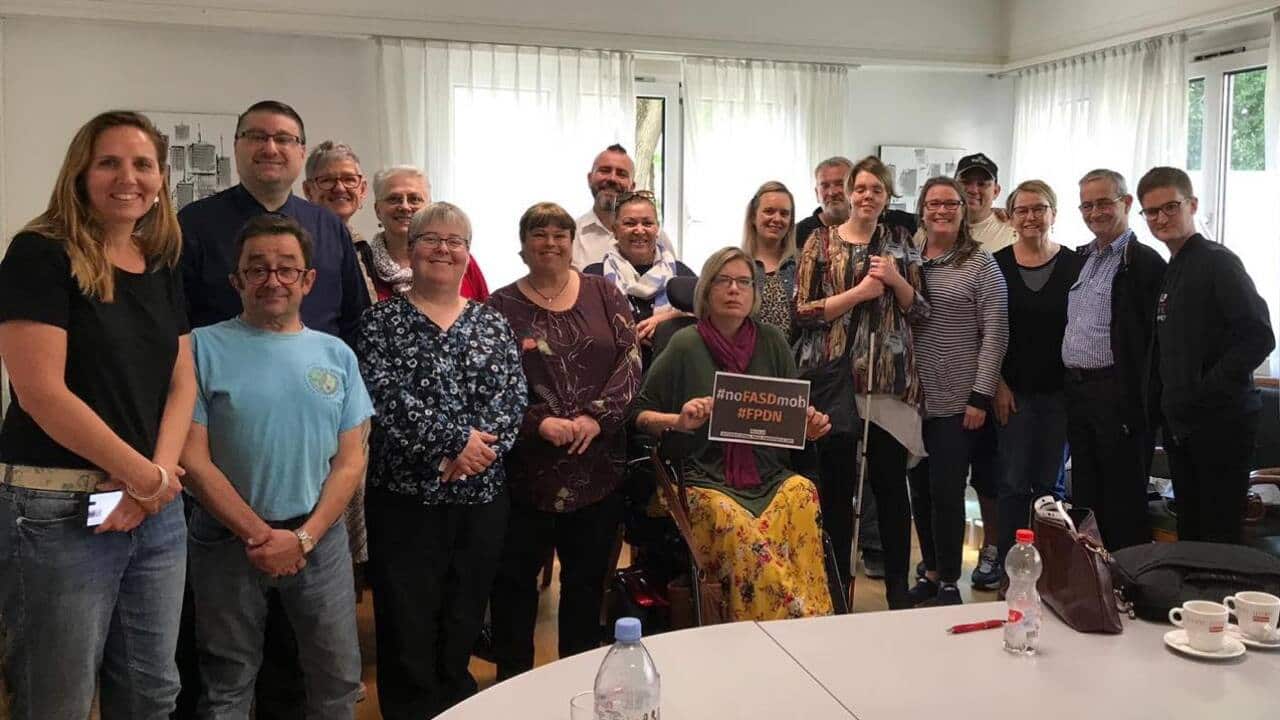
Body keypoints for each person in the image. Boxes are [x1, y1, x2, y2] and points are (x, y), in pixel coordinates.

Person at [176, 101, 370, 719]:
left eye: (288, 269)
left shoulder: (336, 353)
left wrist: (307, 535)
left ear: (308, 280)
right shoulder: (201, 342)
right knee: (228, 677)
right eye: (257, 269)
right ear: (235, 279)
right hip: (225, 531)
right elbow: (191, 454)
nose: (273, 279)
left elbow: (350, 458)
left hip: (319, 530)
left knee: (334, 677)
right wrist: (260, 534)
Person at [0, 110, 192, 719]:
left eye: (143, 164)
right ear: (80, 172)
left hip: (152, 509)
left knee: (151, 692)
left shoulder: (159, 260)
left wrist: (154, 481)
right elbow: (40, 393)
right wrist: (145, 477)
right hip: (57, 508)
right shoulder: (38, 252)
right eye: (109, 161)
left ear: (161, 178)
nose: (127, 177)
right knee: (56, 699)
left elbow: (182, 380)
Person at [355, 203, 526, 718]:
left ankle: (456, 704)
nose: (444, 249)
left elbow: (513, 396)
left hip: (480, 498)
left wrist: (474, 455)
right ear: (412, 247)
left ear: (468, 255)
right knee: (407, 614)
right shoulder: (379, 322)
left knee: (464, 611)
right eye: (432, 238)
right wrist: (454, 445)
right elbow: (382, 394)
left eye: (456, 242)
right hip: (405, 498)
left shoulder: (492, 323)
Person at [631, 246, 836, 620]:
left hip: (767, 474)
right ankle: (785, 619)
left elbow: (791, 421)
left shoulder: (772, 341)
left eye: (744, 282)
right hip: (701, 477)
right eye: (723, 281)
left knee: (803, 493)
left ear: (754, 293)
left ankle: (810, 614)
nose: (734, 290)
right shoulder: (684, 343)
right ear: (706, 291)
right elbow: (639, 415)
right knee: (737, 524)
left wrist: (810, 428)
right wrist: (678, 420)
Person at [488, 202, 641, 679]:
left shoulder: (604, 292)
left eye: (560, 233)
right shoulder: (499, 306)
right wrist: (538, 423)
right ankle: (514, 687)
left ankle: (577, 683)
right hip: (527, 474)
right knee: (514, 589)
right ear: (522, 245)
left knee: (585, 587)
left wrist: (598, 418)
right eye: (539, 233)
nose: (550, 242)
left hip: (598, 468)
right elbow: (493, 382)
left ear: (572, 241)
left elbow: (630, 358)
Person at [794, 155, 929, 608]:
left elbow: (921, 311)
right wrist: (858, 294)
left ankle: (897, 590)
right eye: (860, 188)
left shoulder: (901, 241)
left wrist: (895, 280)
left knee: (890, 488)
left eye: (876, 189)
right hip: (834, 381)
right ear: (848, 193)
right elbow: (803, 311)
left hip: (887, 382)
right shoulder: (819, 242)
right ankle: (834, 591)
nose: (867, 196)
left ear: (887, 197)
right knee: (835, 490)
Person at [1140, 166, 1275, 544]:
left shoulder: (1218, 262)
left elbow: (1258, 336)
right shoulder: (1174, 267)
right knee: (1192, 531)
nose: (1161, 218)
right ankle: (1193, 603)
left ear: (1192, 205)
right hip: (1184, 428)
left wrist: (1202, 390)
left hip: (1221, 424)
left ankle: (1220, 602)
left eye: (1171, 207)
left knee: (1218, 534)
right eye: (1152, 212)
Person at [179, 100, 369, 342]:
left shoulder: (330, 227)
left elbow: (356, 320)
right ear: (236, 146)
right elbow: (176, 323)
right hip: (220, 375)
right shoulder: (194, 223)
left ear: (301, 152)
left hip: (320, 377)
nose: (270, 149)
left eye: (283, 139)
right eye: (257, 137)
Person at [907, 176, 1008, 607]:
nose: (941, 211)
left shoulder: (980, 264)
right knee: (920, 491)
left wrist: (980, 396)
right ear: (922, 210)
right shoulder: (909, 261)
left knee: (948, 492)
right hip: (911, 400)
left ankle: (950, 578)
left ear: (963, 210)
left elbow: (996, 333)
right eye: (933, 204)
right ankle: (929, 570)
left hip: (957, 400)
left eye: (950, 203)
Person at [1062, 169, 1166, 550]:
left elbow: (1154, 342)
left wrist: (1138, 401)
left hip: (1118, 396)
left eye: (1103, 202)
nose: (1095, 212)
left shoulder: (1143, 262)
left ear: (1126, 203)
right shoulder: (1085, 259)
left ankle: (1128, 584)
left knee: (1122, 499)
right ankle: (1094, 584)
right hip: (1079, 392)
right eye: (1087, 205)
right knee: (1086, 496)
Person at [991, 180, 1083, 575]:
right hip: (1012, 393)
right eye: (1022, 210)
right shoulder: (994, 264)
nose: (1031, 217)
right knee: (1012, 484)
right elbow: (984, 328)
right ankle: (1011, 567)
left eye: (1039, 208)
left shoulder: (1076, 264)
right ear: (1010, 217)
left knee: (1052, 487)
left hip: (1061, 394)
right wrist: (996, 383)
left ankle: (1052, 569)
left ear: (1053, 214)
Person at [583, 190, 695, 367]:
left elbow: (705, 319)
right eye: (630, 223)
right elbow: (582, 331)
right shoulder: (594, 277)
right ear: (615, 230)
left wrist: (668, 319)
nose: (639, 230)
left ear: (657, 228)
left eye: (647, 223)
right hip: (611, 375)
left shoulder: (681, 274)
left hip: (669, 376)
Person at [366, 166, 489, 302]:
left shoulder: (456, 259)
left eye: (415, 199)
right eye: (394, 199)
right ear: (378, 210)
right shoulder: (362, 264)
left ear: (429, 207)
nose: (405, 207)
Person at [573, 144, 673, 269]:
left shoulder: (656, 236)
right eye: (605, 170)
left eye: (621, 174)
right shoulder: (572, 235)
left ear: (632, 186)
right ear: (589, 178)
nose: (612, 178)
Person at [302, 141, 377, 303]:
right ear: (308, 190)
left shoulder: (361, 245)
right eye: (327, 180)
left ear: (362, 189)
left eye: (349, 179)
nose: (340, 188)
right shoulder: (301, 244)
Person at [794, 156, 918, 249]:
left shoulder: (896, 225)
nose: (832, 192)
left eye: (839, 184)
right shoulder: (801, 232)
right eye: (825, 186)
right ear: (817, 193)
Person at [742, 180, 799, 338]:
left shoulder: (803, 266)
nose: (777, 219)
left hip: (794, 359)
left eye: (784, 213)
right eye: (769, 211)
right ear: (753, 217)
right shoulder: (737, 265)